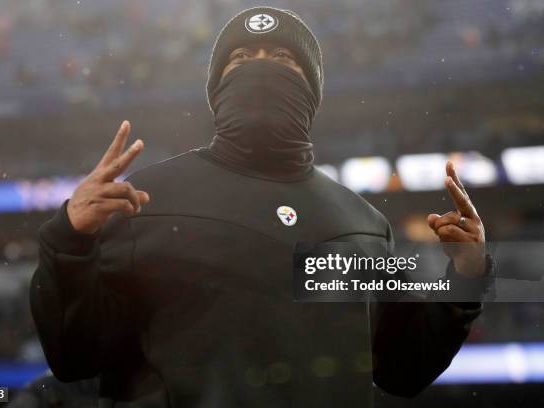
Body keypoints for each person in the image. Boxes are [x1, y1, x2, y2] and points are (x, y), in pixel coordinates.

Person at [30, 6, 492, 407]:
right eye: (241, 57)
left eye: (282, 57)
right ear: (215, 89)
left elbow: (403, 370)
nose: (260, 67)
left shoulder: (363, 223)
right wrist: (69, 238)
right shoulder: (144, 199)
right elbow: (75, 356)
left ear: (311, 90)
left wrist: (467, 275)